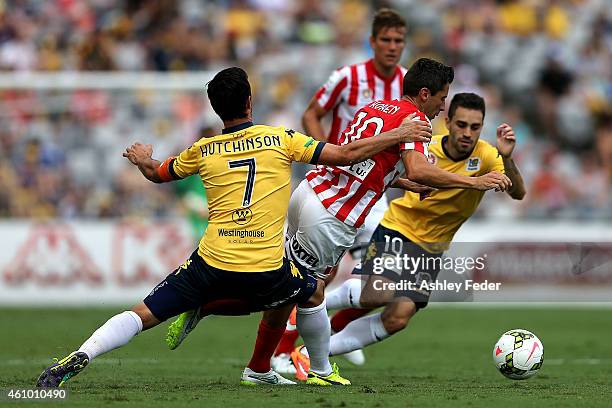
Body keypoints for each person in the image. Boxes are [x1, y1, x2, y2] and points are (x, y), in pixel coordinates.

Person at [35, 67, 431, 388]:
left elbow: (157, 174)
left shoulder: (202, 150)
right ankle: (321, 371)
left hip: (208, 261)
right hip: (264, 266)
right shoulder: (280, 139)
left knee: (141, 314)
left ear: (216, 109)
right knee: (312, 291)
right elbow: (344, 156)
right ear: (249, 101)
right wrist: (400, 133)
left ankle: (82, 353)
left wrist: (142, 158)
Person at [166, 59, 513, 382]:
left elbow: (367, 163)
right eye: (441, 98)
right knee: (297, 292)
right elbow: (419, 167)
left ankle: (269, 365)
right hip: (332, 215)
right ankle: (220, 315)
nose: (441, 106)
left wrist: (401, 181)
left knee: (293, 289)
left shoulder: (377, 106)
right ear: (425, 94)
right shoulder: (415, 121)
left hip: (312, 192)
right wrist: (474, 182)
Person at [320, 92, 526, 362]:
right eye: (461, 124)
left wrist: (507, 158)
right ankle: (313, 302)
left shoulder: (487, 155)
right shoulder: (425, 149)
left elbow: (518, 193)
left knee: (397, 318)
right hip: (399, 228)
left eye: (475, 127)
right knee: (377, 294)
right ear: (448, 122)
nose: (467, 133)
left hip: (431, 249)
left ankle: (312, 353)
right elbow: (390, 173)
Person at [271, 9, 409, 368]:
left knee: (379, 285)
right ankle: (283, 352)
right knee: (314, 277)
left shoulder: (408, 84)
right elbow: (311, 114)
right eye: (387, 40)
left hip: (373, 195)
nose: (393, 47)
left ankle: (327, 336)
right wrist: (329, 156)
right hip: (332, 190)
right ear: (373, 42)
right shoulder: (348, 77)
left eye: (399, 41)